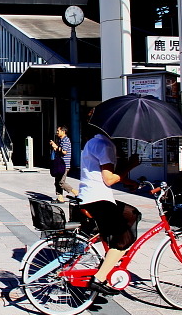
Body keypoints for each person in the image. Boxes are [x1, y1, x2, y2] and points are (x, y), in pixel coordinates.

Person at [78, 131, 140, 295]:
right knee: (125, 239)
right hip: (98, 200)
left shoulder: (93, 142)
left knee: (132, 213)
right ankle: (99, 278)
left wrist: (129, 182)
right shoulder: (105, 145)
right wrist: (131, 165)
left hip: (91, 197)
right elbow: (109, 179)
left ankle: (110, 253)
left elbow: (103, 174)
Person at [49, 126, 78, 203]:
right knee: (57, 181)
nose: (57, 132)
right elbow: (59, 150)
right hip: (59, 164)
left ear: (63, 131)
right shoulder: (60, 140)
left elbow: (64, 152)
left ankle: (75, 192)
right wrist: (54, 146)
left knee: (61, 182)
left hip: (64, 165)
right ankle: (60, 197)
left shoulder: (66, 140)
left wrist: (56, 147)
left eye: (58, 130)